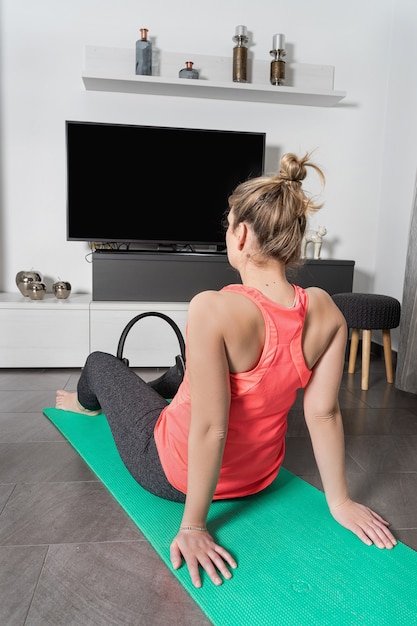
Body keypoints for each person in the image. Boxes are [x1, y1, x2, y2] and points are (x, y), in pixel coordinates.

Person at [56, 152, 397, 589]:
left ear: (240, 234)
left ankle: (86, 406)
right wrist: (340, 501)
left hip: (171, 472)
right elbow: (324, 414)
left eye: (228, 223)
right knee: (190, 373)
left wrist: (194, 526)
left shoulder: (211, 308)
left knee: (99, 364)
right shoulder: (327, 310)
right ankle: (164, 386)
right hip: (259, 477)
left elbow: (211, 427)